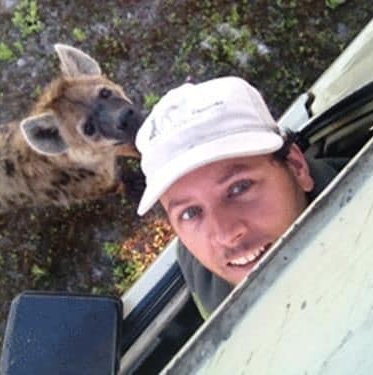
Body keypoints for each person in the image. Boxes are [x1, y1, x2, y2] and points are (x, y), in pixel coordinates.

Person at [135, 76, 340, 319]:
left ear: (296, 167)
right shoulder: (203, 277)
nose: (226, 234)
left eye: (239, 188)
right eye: (191, 213)